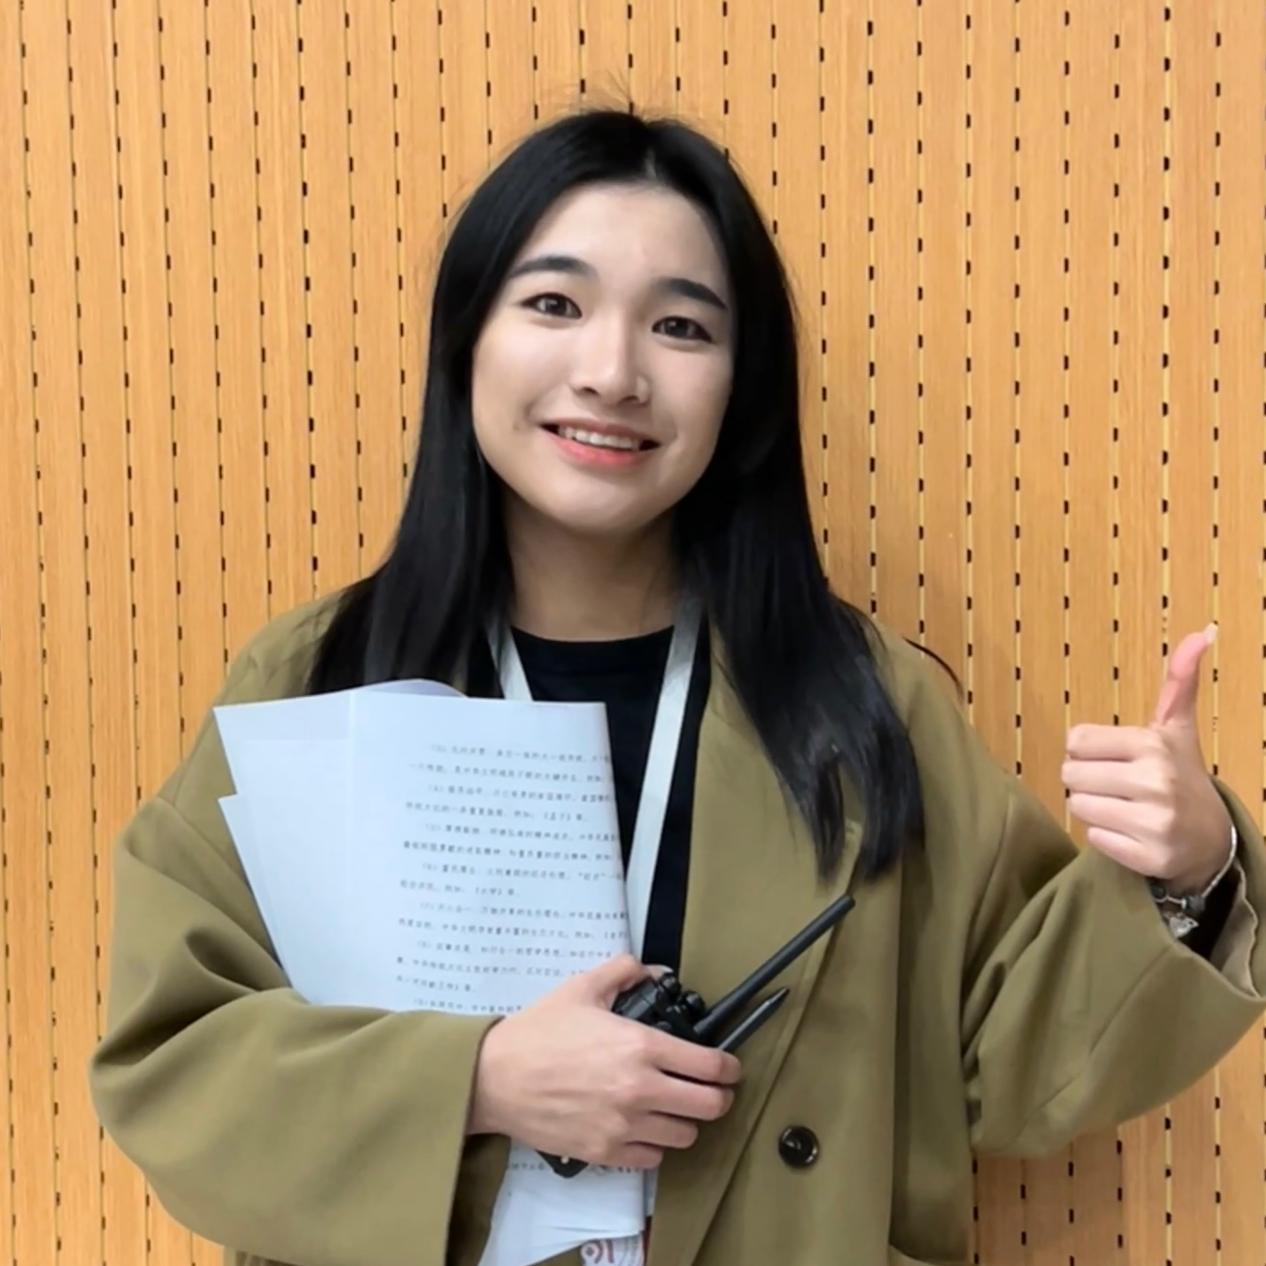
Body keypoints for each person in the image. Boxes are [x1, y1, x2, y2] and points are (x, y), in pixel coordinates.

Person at [88, 108, 1264, 1266]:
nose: (613, 373)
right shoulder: (315, 683)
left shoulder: (860, 701)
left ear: (740, 388)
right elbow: (173, 1064)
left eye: (682, 326)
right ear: (466, 339)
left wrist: (1192, 868)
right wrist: (478, 1081)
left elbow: (1013, 1063)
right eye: (555, 304)